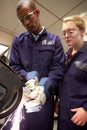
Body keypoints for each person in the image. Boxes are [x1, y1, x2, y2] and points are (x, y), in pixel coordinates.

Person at [3, 0, 65, 130]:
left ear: (36, 12)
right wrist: (27, 76)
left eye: (27, 17)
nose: (25, 23)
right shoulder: (18, 41)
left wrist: (45, 85)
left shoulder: (54, 40)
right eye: (21, 20)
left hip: (44, 97)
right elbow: (14, 66)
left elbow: (58, 67)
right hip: (21, 96)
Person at [58, 13, 87, 130]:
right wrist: (57, 101)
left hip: (81, 118)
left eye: (70, 31)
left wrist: (86, 109)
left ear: (82, 31)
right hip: (63, 114)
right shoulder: (65, 56)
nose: (66, 36)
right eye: (64, 33)